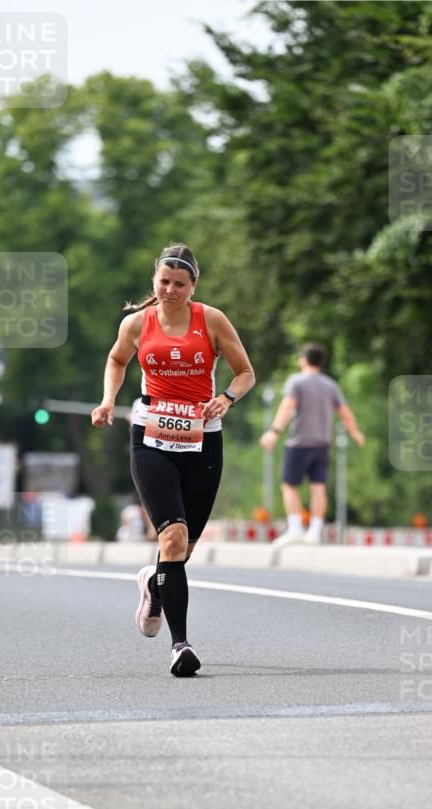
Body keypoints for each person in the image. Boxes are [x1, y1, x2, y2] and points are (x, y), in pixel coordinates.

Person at [92, 243, 255, 676]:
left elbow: (246, 372)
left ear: (193, 285)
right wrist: (108, 400)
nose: (170, 290)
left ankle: (154, 582)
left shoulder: (211, 320)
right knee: (173, 538)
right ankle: (180, 646)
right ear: (154, 281)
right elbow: (117, 359)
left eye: (179, 284)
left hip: (202, 441)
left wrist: (226, 398)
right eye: (164, 282)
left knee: (183, 550)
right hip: (151, 437)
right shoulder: (136, 323)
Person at [260, 343, 365, 546]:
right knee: (318, 488)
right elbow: (344, 411)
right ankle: (314, 532)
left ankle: (296, 529)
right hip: (322, 444)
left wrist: (274, 431)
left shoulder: (296, 381)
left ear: (304, 359)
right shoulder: (330, 385)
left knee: (289, 486)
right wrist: (355, 432)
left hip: (299, 443)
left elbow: (287, 406)